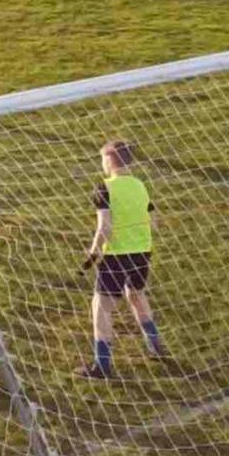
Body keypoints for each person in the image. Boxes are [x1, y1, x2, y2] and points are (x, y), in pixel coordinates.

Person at [77, 140, 165, 380]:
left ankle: (102, 365)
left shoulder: (105, 188)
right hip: (143, 250)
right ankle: (155, 344)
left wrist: (93, 254)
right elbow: (154, 222)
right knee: (136, 293)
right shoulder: (140, 185)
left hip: (116, 254)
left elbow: (104, 227)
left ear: (109, 160)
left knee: (101, 306)